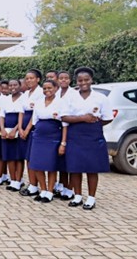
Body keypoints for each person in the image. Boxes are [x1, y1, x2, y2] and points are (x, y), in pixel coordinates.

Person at [62, 67, 113, 210]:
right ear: (76, 81)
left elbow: (108, 118)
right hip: (75, 134)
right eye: (80, 80)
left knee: (92, 167)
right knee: (75, 167)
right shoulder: (70, 97)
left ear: (91, 80)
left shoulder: (101, 98)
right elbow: (64, 117)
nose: (83, 82)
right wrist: (83, 118)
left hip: (93, 135)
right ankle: (77, 195)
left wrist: (94, 124)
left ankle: (91, 198)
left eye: (86, 79)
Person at [28, 80, 67, 203]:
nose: (47, 91)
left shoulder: (61, 103)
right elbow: (34, 121)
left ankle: (50, 192)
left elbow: (65, 125)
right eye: (45, 88)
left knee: (51, 165)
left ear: (56, 88)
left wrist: (63, 143)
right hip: (39, 137)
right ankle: (43, 190)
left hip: (53, 136)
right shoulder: (39, 102)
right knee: (37, 165)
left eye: (50, 88)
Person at [18, 69, 44, 197]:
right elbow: (21, 112)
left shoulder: (41, 93)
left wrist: (27, 129)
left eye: (31, 78)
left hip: (33, 126)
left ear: (38, 79)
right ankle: (31, 184)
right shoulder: (25, 94)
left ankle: (35, 185)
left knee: (32, 157)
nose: (29, 80)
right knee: (27, 158)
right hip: (23, 125)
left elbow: (35, 114)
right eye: (27, 78)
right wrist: (20, 129)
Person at [0, 79, 25, 192]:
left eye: (15, 85)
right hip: (7, 127)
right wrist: (3, 129)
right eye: (10, 85)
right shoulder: (5, 99)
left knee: (18, 157)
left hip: (18, 127)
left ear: (20, 86)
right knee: (9, 156)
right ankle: (12, 179)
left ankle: (18, 181)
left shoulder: (24, 98)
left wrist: (16, 129)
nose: (12, 87)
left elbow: (22, 115)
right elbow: (1, 115)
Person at [55, 70, 77, 200]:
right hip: (58, 129)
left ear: (70, 80)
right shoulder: (55, 93)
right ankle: (62, 185)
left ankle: (70, 189)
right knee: (61, 161)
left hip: (71, 128)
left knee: (71, 161)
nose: (63, 80)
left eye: (66, 78)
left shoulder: (74, 94)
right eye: (61, 78)